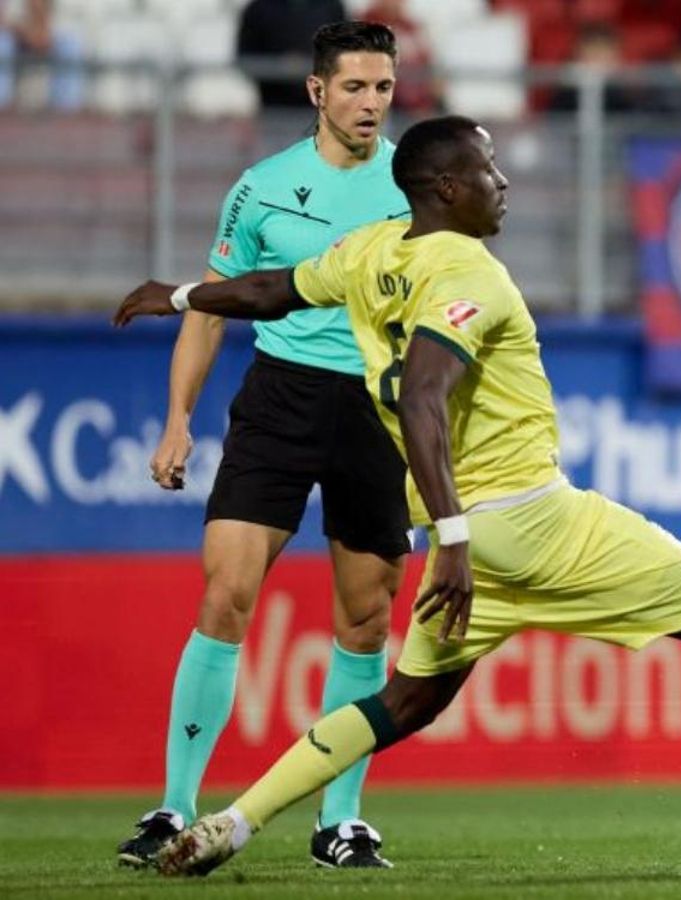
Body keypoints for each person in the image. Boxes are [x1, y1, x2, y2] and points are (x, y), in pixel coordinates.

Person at [112, 115, 681, 877]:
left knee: (407, 700)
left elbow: (272, 290)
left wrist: (180, 296)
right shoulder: (467, 270)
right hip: (523, 520)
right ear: (447, 188)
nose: (502, 183)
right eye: (488, 169)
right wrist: (453, 537)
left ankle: (233, 822)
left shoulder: (373, 252)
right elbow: (423, 396)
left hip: (470, 535)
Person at [116, 21, 412, 871]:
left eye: (384, 88)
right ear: (317, 91)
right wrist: (178, 419)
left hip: (372, 410)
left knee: (365, 617)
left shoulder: (416, 187)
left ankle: (341, 821)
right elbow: (212, 303)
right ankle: (175, 807)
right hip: (279, 400)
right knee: (226, 595)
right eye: (354, 87)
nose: (370, 104)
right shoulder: (261, 188)